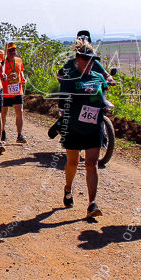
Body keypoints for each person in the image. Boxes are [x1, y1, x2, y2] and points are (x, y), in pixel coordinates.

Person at [58, 40, 113, 220]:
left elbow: (102, 99)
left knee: (91, 163)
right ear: (77, 59)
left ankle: (92, 204)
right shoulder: (69, 78)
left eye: (92, 60)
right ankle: (68, 189)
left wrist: (104, 104)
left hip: (93, 127)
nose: (89, 63)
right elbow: (63, 103)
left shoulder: (98, 78)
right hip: (73, 126)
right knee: (73, 162)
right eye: (86, 59)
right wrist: (81, 95)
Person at [0, 42, 28, 143]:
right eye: (10, 50)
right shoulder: (3, 62)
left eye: (14, 50)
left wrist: (23, 77)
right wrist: (8, 77)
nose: (13, 52)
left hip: (17, 91)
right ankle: (2, 131)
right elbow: (0, 77)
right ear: (6, 52)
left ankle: (19, 135)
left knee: (19, 112)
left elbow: (21, 71)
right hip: (5, 91)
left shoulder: (19, 60)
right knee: (3, 113)